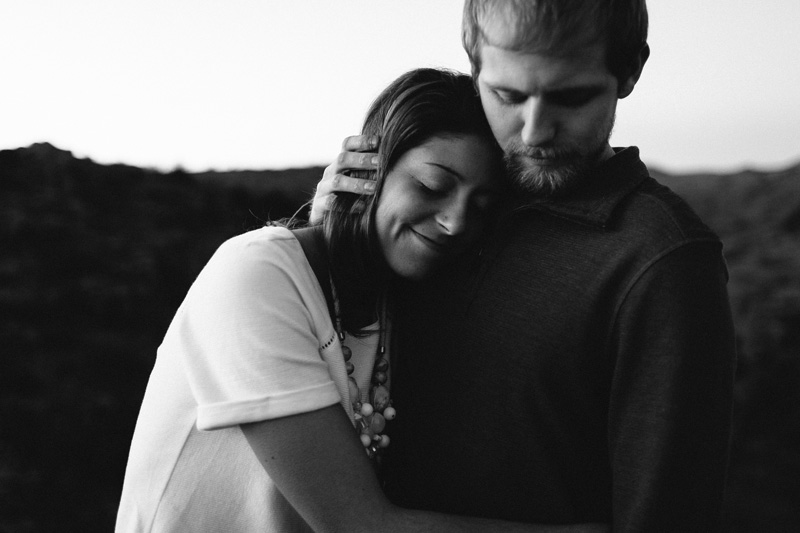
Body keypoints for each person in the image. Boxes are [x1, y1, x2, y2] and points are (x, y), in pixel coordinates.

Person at [116, 68, 608, 533]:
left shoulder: (400, 296)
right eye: (432, 186)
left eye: (480, 207)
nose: (456, 221)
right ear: (370, 170)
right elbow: (360, 525)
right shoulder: (256, 274)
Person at [310, 1, 738, 531]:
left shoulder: (662, 262)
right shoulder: (450, 208)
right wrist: (336, 231)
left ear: (629, 70)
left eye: (571, 97)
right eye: (508, 96)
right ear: (474, 65)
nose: (535, 132)